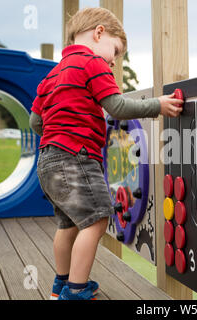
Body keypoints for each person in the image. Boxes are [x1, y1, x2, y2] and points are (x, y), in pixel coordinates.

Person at [29, 7, 183, 300]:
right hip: (76, 156)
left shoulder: (52, 75)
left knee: (68, 223)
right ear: (99, 33)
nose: (114, 60)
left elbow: (35, 122)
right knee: (98, 219)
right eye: (116, 50)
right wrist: (158, 106)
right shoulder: (93, 63)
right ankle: (75, 291)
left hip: (48, 160)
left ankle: (60, 285)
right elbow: (117, 107)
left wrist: (58, 132)